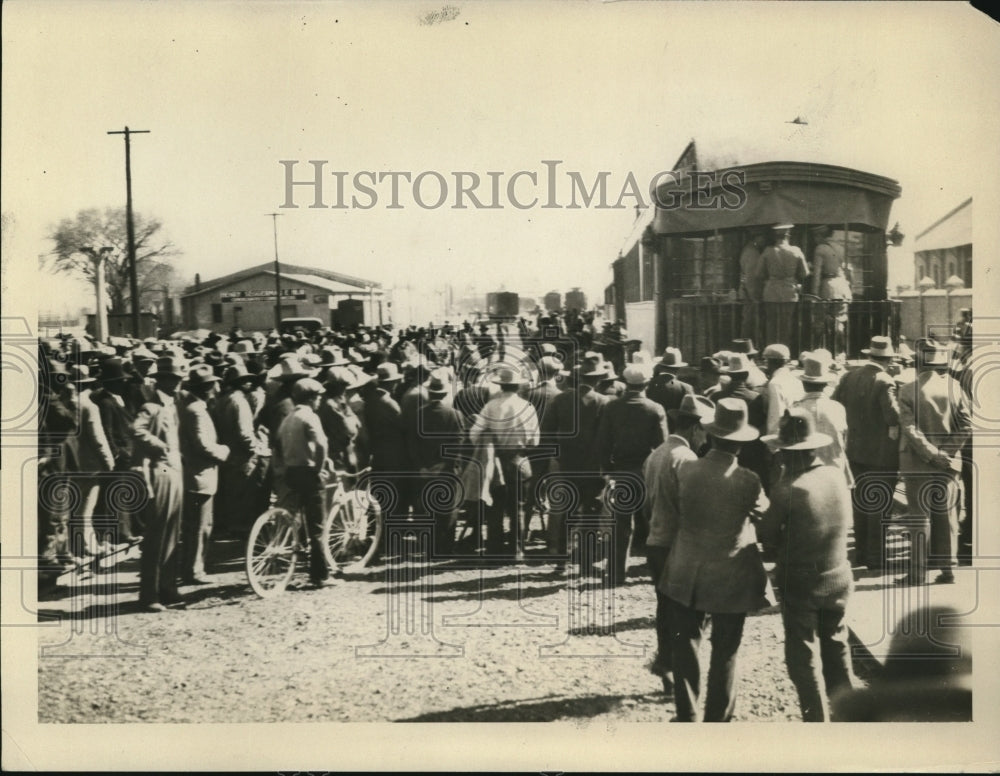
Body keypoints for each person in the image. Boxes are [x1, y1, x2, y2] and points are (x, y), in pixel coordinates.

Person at [661, 397, 771, 722]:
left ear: (709, 434)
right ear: (740, 444)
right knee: (725, 650)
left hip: (685, 568)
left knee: (685, 645)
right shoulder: (748, 481)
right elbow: (765, 515)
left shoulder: (685, 469)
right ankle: (717, 720)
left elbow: (672, 509)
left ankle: (687, 715)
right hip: (730, 573)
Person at [760, 409, 854, 722]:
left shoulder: (789, 489)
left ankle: (816, 723)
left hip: (802, 584)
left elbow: (768, 536)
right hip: (839, 576)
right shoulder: (834, 475)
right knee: (836, 648)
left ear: (789, 453)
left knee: (802, 658)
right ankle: (850, 716)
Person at [642, 394, 714, 692]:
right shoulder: (687, 459)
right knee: (688, 613)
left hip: (656, 541)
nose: (706, 438)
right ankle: (681, 674)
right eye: (705, 431)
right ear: (695, 428)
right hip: (678, 545)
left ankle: (667, 665)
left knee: (665, 608)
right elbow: (693, 508)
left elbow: (646, 505)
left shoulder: (656, 453)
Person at [896, 339, 971, 586]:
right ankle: (948, 570)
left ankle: (917, 573)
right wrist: (945, 454)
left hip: (918, 463)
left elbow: (909, 429)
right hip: (948, 465)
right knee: (948, 516)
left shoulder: (907, 390)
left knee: (919, 518)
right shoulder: (955, 387)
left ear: (918, 362)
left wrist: (931, 454)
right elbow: (966, 426)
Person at [831, 335, 901, 571]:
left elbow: (835, 404)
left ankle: (860, 553)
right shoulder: (885, 381)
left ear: (869, 355)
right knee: (879, 506)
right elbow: (892, 416)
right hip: (881, 454)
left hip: (854, 451)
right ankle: (875, 557)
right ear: (888, 358)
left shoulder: (849, 376)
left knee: (860, 503)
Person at [596, 363, 667, 585]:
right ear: (646, 383)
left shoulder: (612, 407)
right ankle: (657, 573)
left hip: (621, 470)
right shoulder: (655, 409)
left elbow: (603, 443)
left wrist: (607, 470)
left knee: (621, 524)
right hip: (647, 470)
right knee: (654, 523)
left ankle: (617, 573)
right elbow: (662, 445)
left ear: (625, 383)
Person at [542, 352, 611, 564]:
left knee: (566, 510)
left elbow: (546, 432)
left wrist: (558, 454)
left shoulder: (560, 399)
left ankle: (561, 555)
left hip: (566, 464)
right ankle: (586, 557)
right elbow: (607, 437)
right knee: (590, 510)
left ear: (579, 377)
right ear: (598, 379)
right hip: (593, 467)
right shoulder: (603, 402)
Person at [132, 355, 188, 612]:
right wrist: (159, 446)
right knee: (157, 535)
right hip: (161, 470)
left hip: (174, 470)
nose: (175, 384)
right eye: (170, 379)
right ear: (160, 380)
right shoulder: (151, 407)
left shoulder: (172, 406)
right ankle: (150, 594)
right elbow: (137, 430)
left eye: (177, 379)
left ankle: (168, 588)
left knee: (173, 534)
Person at [468, 366, 540, 557]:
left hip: (496, 461)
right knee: (518, 507)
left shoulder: (491, 406)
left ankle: (494, 549)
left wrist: (489, 440)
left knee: (495, 507)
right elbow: (535, 441)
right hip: (520, 459)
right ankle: (517, 550)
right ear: (518, 386)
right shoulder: (527, 407)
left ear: (501, 385)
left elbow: (474, 434)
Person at [272, 377, 335, 587]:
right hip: (308, 472)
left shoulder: (288, 417)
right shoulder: (310, 417)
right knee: (317, 526)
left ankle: (297, 557)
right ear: (311, 398)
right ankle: (320, 575)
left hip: (292, 472)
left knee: (296, 516)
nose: (319, 401)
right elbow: (322, 445)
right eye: (318, 397)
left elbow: (278, 445)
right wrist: (319, 468)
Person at [178, 364, 230, 585]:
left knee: (198, 526)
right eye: (214, 383)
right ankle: (194, 570)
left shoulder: (192, 407)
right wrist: (224, 451)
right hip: (199, 475)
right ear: (208, 387)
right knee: (200, 527)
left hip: (197, 473)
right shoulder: (197, 411)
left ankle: (193, 567)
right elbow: (203, 445)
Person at [792, 355, 853, 488]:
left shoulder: (796, 410)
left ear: (803, 383)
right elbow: (844, 441)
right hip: (836, 473)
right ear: (825, 384)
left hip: (806, 477)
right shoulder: (837, 408)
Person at [646, 347, 695, 423]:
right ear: (678, 368)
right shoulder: (686, 388)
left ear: (661, 366)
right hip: (675, 430)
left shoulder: (648, 384)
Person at [738, 229, 767, 337]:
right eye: (763, 238)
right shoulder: (753, 253)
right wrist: (755, 297)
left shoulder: (748, 250)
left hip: (747, 293)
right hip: (750, 294)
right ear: (757, 238)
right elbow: (751, 278)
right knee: (751, 324)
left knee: (748, 322)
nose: (764, 241)